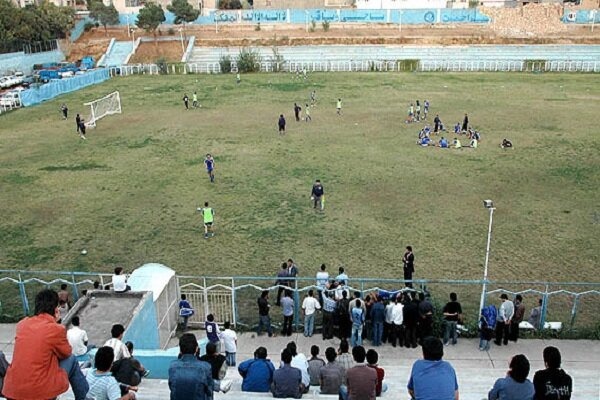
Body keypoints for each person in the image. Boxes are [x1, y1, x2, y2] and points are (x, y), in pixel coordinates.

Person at [3, 289, 89, 400]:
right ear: (56, 309)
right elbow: (66, 353)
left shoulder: (22, 324)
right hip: (39, 393)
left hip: (12, 390)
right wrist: (56, 322)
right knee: (72, 359)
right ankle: (83, 397)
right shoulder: (55, 329)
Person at [169, 333, 213, 400]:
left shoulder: (172, 367)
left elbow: (172, 387)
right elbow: (209, 392)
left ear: (180, 350)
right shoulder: (206, 367)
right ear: (196, 349)